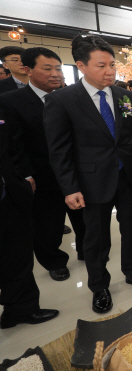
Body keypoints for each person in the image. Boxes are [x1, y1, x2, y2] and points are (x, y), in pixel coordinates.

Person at [44, 35, 132, 314]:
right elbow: (59, 150)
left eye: (112, 64)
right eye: (101, 65)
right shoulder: (62, 100)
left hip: (128, 176)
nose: (110, 71)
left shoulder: (126, 96)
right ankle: (99, 285)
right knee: (96, 238)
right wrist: (69, 188)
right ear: (81, 66)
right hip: (90, 181)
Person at [0, 47, 86, 282]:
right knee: (47, 224)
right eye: (47, 69)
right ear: (28, 70)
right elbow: (13, 144)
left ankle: (86, 249)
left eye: (58, 68)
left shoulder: (73, 96)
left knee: (83, 217)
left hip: (76, 171)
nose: (56, 74)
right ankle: (54, 260)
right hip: (41, 174)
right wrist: (25, 174)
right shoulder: (11, 101)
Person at [0, 109, 60, 329]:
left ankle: (21, 309)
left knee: (17, 253)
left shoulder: (3, 107)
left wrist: (22, 176)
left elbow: (12, 145)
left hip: (10, 192)